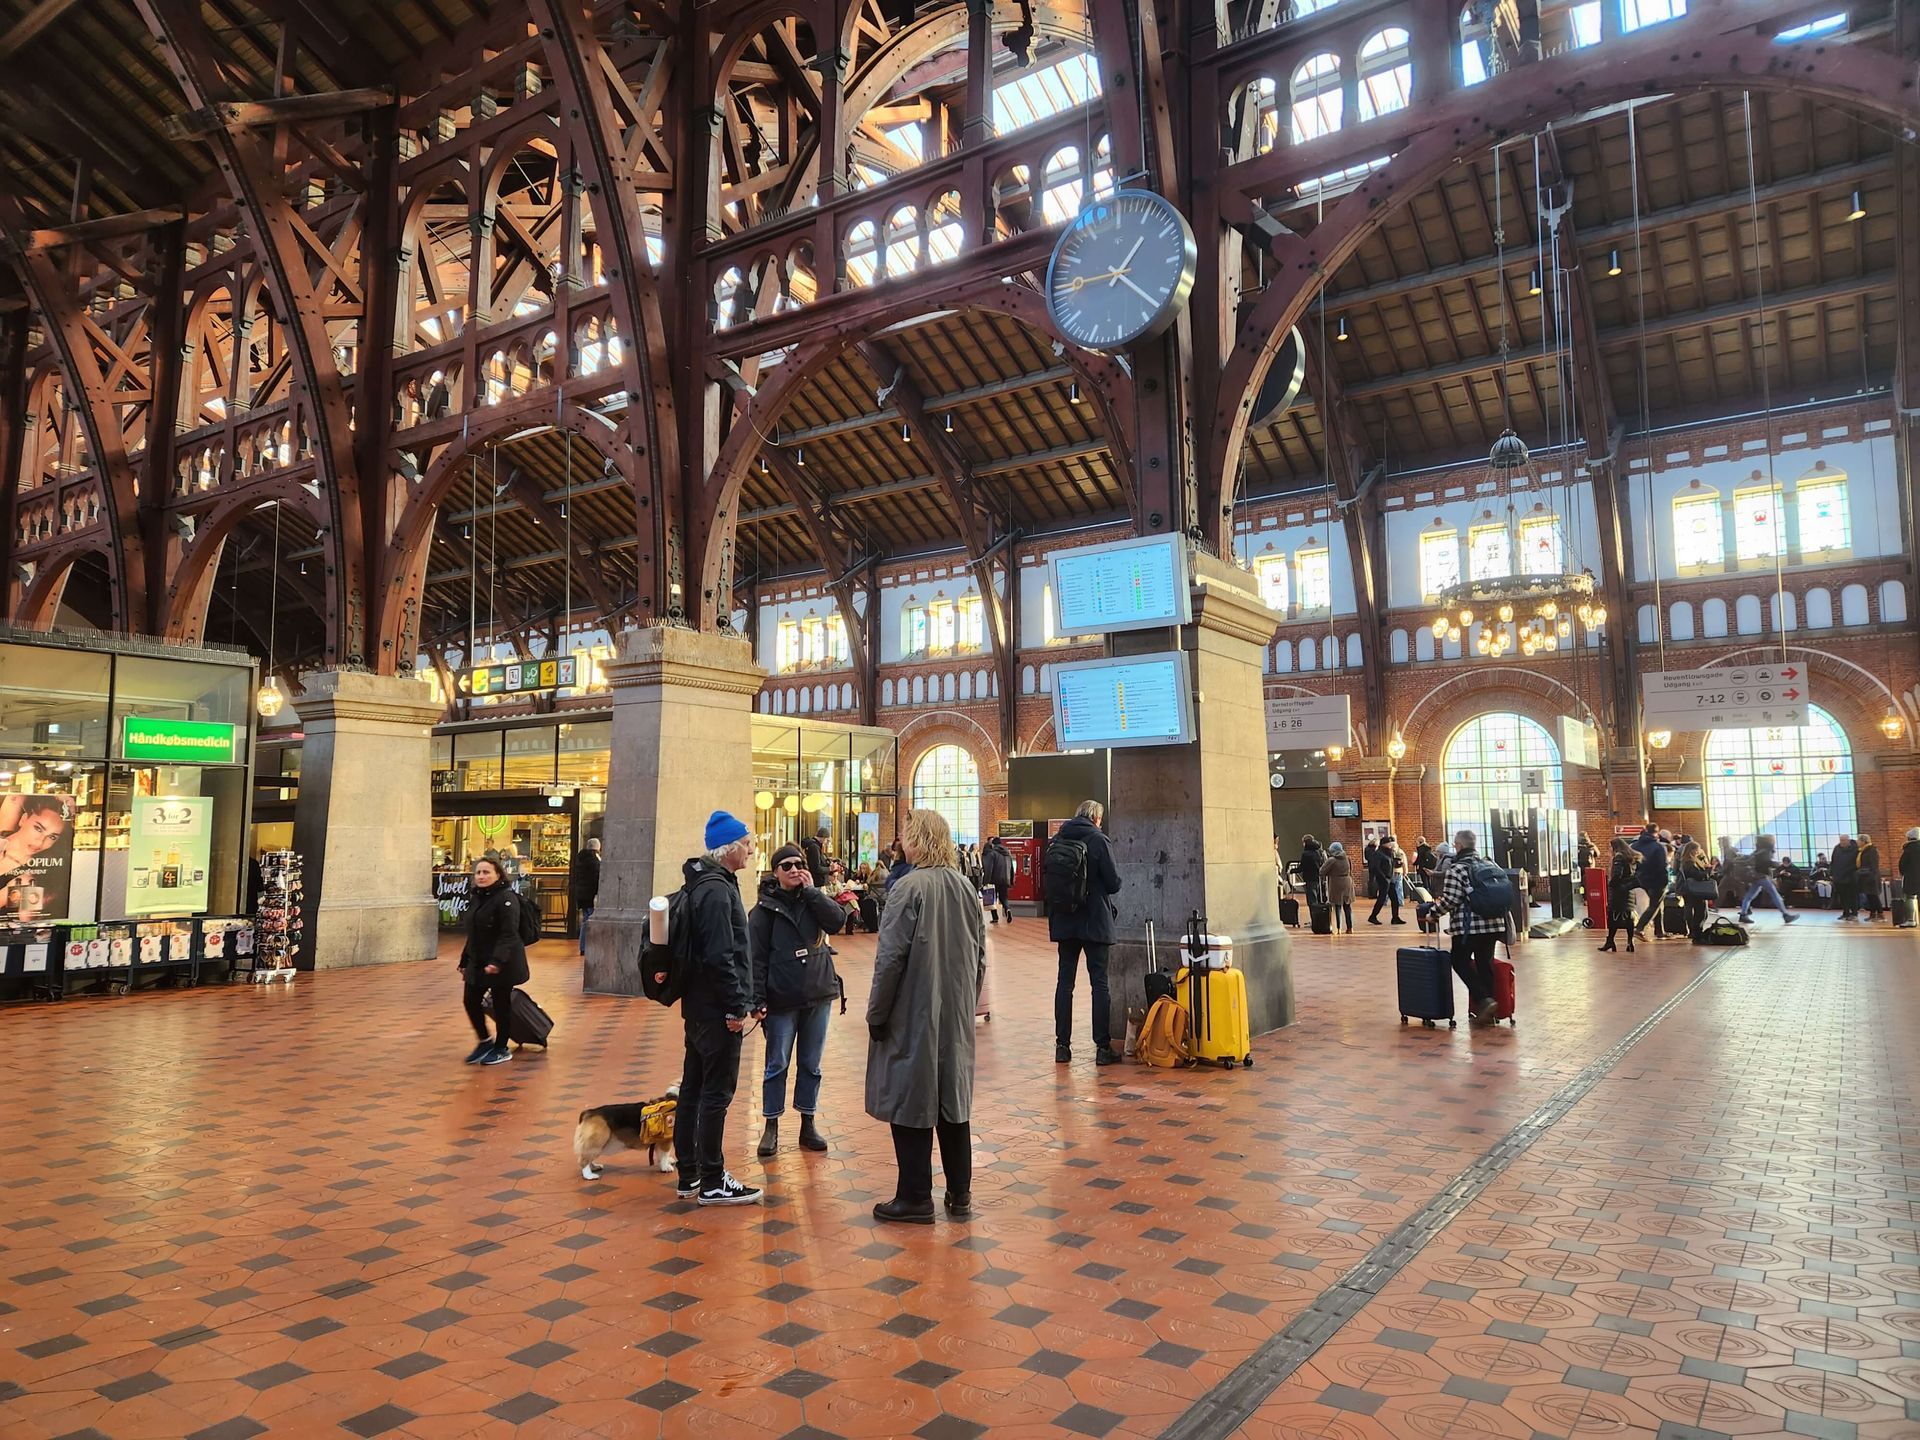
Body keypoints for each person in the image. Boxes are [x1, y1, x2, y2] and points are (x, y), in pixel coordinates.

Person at [865, 808, 986, 1225]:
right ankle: (960, 1192)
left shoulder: (908, 888)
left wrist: (877, 1014)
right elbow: (980, 957)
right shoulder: (965, 887)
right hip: (955, 1013)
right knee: (953, 1100)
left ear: (918, 839)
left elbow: (890, 960)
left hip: (912, 1012)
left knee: (910, 1099)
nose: (902, 841)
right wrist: (965, 1003)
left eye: (906, 834)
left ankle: (915, 1196)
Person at [671, 811, 763, 1207]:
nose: (751, 850)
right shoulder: (717, 890)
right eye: (747, 844)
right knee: (715, 1094)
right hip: (716, 1010)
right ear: (728, 849)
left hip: (699, 1007)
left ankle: (689, 1173)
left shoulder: (704, 883)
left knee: (693, 1088)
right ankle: (712, 1179)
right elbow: (721, 955)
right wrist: (735, 1006)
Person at [751, 843, 845, 1159]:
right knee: (776, 1064)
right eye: (786, 866)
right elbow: (755, 959)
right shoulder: (763, 910)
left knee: (811, 1064)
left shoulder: (812, 900)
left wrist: (814, 892)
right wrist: (757, 1000)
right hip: (781, 999)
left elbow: (837, 921)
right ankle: (771, 1125)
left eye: (799, 864)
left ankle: (808, 1122)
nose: (794, 870)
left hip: (818, 992)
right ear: (775, 872)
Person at [1047, 800, 1123, 1066]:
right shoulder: (1099, 840)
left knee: (1064, 983)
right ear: (1096, 818)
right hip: (1094, 921)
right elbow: (1113, 883)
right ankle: (1102, 1048)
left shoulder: (1058, 839)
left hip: (1065, 919)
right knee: (1099, 983)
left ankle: (1062, 1046)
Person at [458, 853, 528, 1066]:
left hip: (503, 961)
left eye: (486, 872)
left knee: (501, 1004)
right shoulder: (478, 897)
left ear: (498, 875)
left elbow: (509, 934)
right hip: (479, 959)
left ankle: (501, 1047)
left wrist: (496, 962)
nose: (481, 876)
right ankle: (485, 1041)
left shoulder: (506, 899)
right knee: (470, 1000)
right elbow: (473, 933)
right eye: (478, 872)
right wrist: (464, 960)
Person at [1440, 828, 1508, 1023]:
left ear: (1459, 846)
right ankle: (1489, 1014)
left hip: (1468, 927)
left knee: (1459, 960)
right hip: (1494, 924)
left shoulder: (1457, 869)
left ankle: (1484, 1000)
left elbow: (1451, 899)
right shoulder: (1489, 863)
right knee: (1485, 964)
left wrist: (1433, 913)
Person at [0, 794, 70, 922]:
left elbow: (27, 921)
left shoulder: (32, 876)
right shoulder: (4, 830)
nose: (40, 842)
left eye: (52, 837)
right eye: (38, 828)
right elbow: (16, 793)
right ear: (23, 819)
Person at [1736, 833, 1800, 927]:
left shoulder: (1757, 851)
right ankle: (1785, 915)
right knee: (1775, 895)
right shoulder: (1765, 852)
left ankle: (1743, 914)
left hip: (1756, 877)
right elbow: (1767, 862)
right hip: (1762, 877)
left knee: (1749, 896)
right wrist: (1777, 864)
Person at [1630, 823, 1671, 942]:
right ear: (1657, 833)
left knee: (1658, 904)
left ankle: (1660, 931)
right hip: (1656, 880)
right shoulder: (1658, 846)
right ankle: (1639, 929)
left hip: (1641, 878)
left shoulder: (1634, 845)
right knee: (1654, 905)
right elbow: (1662, 866)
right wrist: (1665, 881)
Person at [1598, 837, 1636, 954]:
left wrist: (1611, 885)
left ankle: (1610, 941)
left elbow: (1616, 875)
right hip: (1629, 891)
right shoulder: (1631, 857)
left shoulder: (1619, 858)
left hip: (1618, 892)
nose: (1609, 849)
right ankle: (1630, 942)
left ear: (1614, 847)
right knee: (1628, 916)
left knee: (1613, 917)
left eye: (1610, 847)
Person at [1679, 841, 1718, 939]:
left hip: (1691, 890)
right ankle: (1696, 933)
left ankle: (1695, 932)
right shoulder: (1689, 862)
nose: (1698, 851)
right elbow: (1698, 876)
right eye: (1697, 850)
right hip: (1696, 890)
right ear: (1691, 850)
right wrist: (1709, 870)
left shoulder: (1688, 861)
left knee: (1698, 912)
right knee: (1701, 912)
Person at [570, 837, 602, 956]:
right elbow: (597, 878)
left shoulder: (580, 859)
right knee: (588, 920)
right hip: (590, 895)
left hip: (582, 895)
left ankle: (583, 946)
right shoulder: (594, 861)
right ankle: (585, 946)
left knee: (585, 919)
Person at [1367, 835, 1404, 925]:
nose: (1390, 845)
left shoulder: (1389, 853)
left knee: (1394, 899)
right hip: (1383, 880)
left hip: (1390, 879)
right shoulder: (1378, 853)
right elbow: (1375, 867)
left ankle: (1395, 917)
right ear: (1384, 844)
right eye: (1388, 843)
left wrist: (1398, 863)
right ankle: (1373, 916)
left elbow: (1390, 863)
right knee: (1381, 898)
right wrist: (1383, 877)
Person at [1322, 842, 1356, 933]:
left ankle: (1338, 928)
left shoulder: (1331, 860)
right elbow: (1351, 870)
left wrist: (1329, 873)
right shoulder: (1348, 858)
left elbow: (1322, 871)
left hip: (1336, 883)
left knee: (1337, 906)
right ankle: (1350, 928)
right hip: (1347, 882)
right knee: (1347, 906)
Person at [981, 836, 1014, 924]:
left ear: (993, 844)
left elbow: (989, 869)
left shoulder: (992, 853)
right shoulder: (1008, 853)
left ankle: (995, 917)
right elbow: (1011, 868)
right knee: (1004, 897)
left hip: (994, 880)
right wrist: (1011, 880)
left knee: (992, 899)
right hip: (1005, 879)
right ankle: (1008, 909)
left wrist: (985, 881)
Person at [1854, 834, 1883, 920]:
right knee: (1869, 896)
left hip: (1871, 877)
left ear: (1864, 841)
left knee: (1874, 896)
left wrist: (1872, 876)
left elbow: (1874, 865)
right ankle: (1872, 914)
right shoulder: (1862, 851)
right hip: (1865, 876)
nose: (1857, 842)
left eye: (1858, 840)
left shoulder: (1871, 850)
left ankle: (1880, 914)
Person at [1830, 835, 1859, 919]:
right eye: (1841, 840)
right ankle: (1846, 912)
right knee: (1842, 896)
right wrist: (1831, 873)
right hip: (1838, 877)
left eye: (1844, 840)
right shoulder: (1837, 848)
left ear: (1848, 840)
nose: (1842, 842)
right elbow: (1833, 861)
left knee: (1852, 896)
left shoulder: (1855, 849)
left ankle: (1854, 913)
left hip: (1850, 876)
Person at [1899, 828, 1920, 927]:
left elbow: (1902, 864)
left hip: (1912, 877)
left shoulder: (1909, 848)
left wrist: (1903, 873)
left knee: (1910, 897)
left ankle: (1911, 920)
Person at [1298, 836, 1325, 902]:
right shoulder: (1318, 852)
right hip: (1318, 877)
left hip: (1309, 877)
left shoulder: (1306, 854)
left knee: (1311, 899)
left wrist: (1293, 870)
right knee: (1317, 897)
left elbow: (1302, 867)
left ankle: (1314, 908)